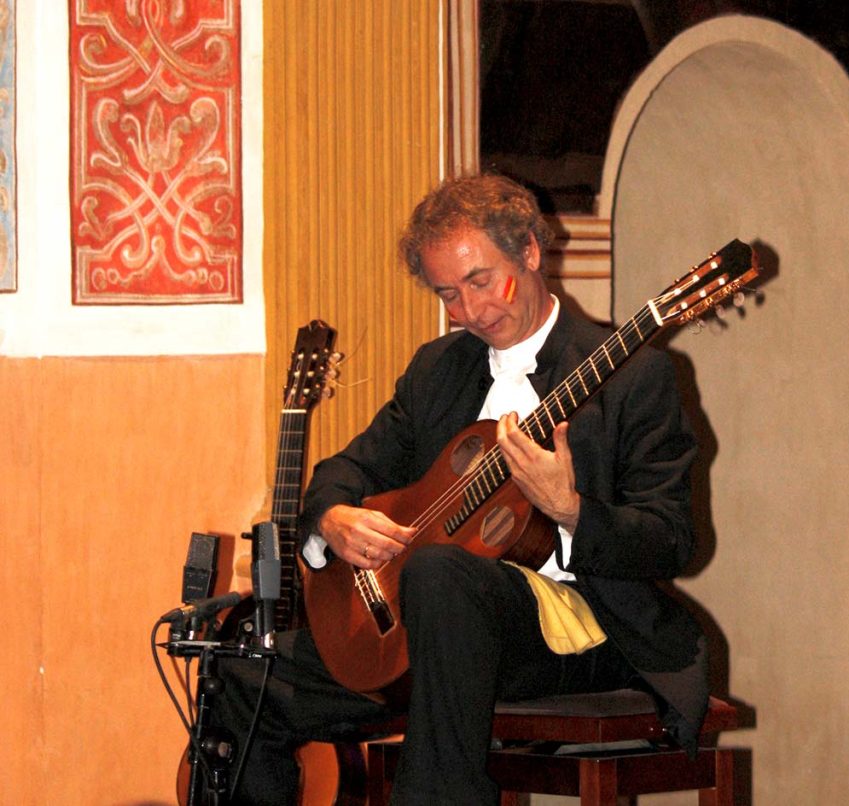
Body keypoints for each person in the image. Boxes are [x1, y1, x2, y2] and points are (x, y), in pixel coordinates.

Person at [211, 174, 708, 805]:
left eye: (481, 282)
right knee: (242, 675)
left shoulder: (635, 376)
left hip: (580, 631)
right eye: (449, 294)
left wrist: (570, 510)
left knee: (439, 574)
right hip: (432, 624)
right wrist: (333, 519)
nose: (471, 311)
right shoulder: (437, 370)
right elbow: (345, 471)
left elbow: (671, 540)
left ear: (530, 251)